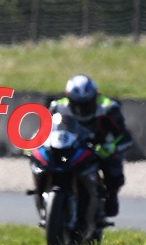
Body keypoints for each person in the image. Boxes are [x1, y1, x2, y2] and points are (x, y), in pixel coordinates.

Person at [49, 74, 134, 218]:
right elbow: (45, 130)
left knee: (113, 167)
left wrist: (111, 147)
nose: (81, 109)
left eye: (86, 104)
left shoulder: (108, 107)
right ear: (69, 99)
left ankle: (111, 195)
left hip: (99, 146)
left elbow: (125, 137)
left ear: (95, 97)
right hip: (71, 144)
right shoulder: (58, 107)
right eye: (77, 104)